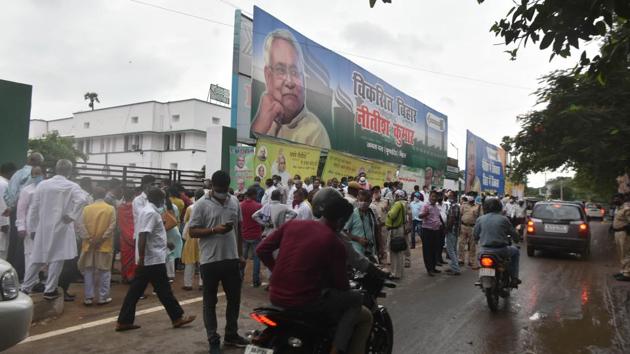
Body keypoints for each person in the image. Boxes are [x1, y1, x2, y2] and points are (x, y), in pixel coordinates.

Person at [256, 188, 372, 354]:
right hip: (307, 302)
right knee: (355, 298)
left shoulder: (292, 225)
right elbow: (342, 285)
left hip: (275, 297)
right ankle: (336, 349)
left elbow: (261, 250)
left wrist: (277, 271)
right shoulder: (334, 242)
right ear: (340, 221)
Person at [116, 188, 196, 331]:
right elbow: (143, 236)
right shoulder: (150, 213)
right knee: (163, 290)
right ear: (159, 199)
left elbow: (151, 234)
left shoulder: (148, 211)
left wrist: (165, 243)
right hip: (152, 259)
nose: (165, 201)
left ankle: (124, 321)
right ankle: (177, 317)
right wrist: (142, 258)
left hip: (151, 258)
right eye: (163, 198)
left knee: (139, 290)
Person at [188, 171, 249, 350]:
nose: (222, 192)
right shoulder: (201, 205)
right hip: (210, 261)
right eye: (218, 189)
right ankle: (212, 338)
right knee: (210, 301)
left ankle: (231, 335)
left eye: (224, 189)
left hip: (231, 260)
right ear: (212, 186)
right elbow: (192, 231)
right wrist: (214, 230)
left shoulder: (235, 201)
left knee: (234, 300)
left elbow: (239, 228)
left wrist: (240, 254)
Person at [251, 29, 331, 149]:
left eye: (294, 72)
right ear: (268, 76)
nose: (289, 82)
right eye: (280, 70)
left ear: (303, 79)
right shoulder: (264, 121)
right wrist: (259, 127)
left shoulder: (314, 131)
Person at [21, 159, 89, 300]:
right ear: (69, 171)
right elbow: (83, 199)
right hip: (62, 227)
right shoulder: (72, 186)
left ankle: (25, 288)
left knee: (37, 258)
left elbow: (34, 208)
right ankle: (50, 290)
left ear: (56, 169)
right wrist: (71, 216)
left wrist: (32, 228)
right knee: (57, 259)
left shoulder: (43, 185)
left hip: (43, 227)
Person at [3, 152, 44, 277]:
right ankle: (21, 274)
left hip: (14, 210)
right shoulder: (31, 174)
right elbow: (25, 195)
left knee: (14, 244)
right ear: (37, 162)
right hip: (26, 212)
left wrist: (10, 207)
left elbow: (8, 194)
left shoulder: (17, 173)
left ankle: (11, 272)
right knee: (24, 246)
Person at [77, 187, 116, 306]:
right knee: (104, 271)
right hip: (104, 245)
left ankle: (88, 298)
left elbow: (81, 226)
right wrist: (101, 238)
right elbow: (112, 226)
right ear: (104, 195)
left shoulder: (86, 209)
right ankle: (102, 297)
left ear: (93, 195)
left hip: (88, 245)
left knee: (89, 270)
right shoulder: (110, 209)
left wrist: (89, 239)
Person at [473, 197, 521, 286]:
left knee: (480, 260)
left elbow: (475, 235)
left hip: (484, 250)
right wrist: (517, 239)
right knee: (516, 251)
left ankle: (480, 278)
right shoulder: (504, 219)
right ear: (499, 207)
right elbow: (513, 233)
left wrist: (477, 240)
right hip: (501, 250)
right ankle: (514, 278)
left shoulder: (480, 219)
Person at [15, 166, 44, 273]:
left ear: (44, 174)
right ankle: (30, 280)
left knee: (43, 254)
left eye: (38, 173)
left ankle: (41, 279)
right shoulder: (26, 190)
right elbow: (21, 210)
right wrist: (21, 227)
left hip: (44, 225)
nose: (36, 176)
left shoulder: (47, 188)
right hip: (30, 226)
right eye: (34, 174)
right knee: (30, 253)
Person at [181, 188, 206, 290]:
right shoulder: (207, 207)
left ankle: (188, 284)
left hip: (192, 236)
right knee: (203, 261)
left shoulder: (190, 208)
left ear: (195, 197)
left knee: (189, 261)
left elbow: (185, 221)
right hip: (203, 235)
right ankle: (202, 284)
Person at [344, 189, 379, 259]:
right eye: (361, 200)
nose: (363, 203)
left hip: (370, 251)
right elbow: (343, 232)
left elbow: (376, 230)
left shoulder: (371, 213)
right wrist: (358, 239)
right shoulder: (352, 213)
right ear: (357, 199)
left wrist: (380, 247)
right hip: (357, 252)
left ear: (370, 201)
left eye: (365, 201)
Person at [240, 187, 263, 288]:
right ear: (253, 195)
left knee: (242, 258)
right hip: (256, 235)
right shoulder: (258, 206)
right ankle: (256, 280)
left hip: (244, 235)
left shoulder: (240, 205)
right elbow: (262, 220)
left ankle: (239, 279)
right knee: (257, 259)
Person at [419, 190, 442, 277]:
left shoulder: (436, 207)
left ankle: (433, 267)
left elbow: (437, 218)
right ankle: (429, 269)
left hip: (435, 231)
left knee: (434, 250)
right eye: (432, 196)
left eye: (435, 197)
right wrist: (425, 214)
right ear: (429, 197)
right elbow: (420, 216)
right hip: (427, 231)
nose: (434, 198)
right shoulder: (426, 206)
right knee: (427, 250)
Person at [386, 190, 408, 280]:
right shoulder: (404, 204)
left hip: (395, 230)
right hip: (400, 228)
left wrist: (388, 211)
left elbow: (392, 215)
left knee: (394, 251)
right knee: (399, 252)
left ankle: (394, 273)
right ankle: (399, 273)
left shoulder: (397, 204)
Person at [118, 188, 137, 283]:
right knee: (134, 258)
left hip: (124, 236)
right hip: (134, 235)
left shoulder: (120, 207)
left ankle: (125, 276)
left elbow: (119, 222)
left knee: (125, 257)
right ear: (134, 196)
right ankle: (132, 277)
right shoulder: (136, 207)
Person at [459, 195, 481, 269]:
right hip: (464, 226)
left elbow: (478, 216)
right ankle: (461, 259)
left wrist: (479, 208)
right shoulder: (463, 205)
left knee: (472, 245)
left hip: (472, 227)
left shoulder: (477, 206)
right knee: (462, 243)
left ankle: (471, 260)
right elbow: (460, 214)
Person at [612, 193, 630, 282]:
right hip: (617, 233)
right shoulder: (618, 209)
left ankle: (627, 273)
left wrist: (627, 229)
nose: (615, 200)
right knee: (620, 253)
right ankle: (623, 271)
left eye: (617, 198)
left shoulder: (626, 209)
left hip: (624, 233)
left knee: (626, 253)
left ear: (622, 199)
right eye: (614, 198)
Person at [0, 163, 16, 260]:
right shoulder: (5, 184)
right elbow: (2, 204)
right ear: (11, 173)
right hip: (1, 226)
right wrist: (4, 223)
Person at [370, 186, 389, 264]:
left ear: (380, 192)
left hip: (384, 225)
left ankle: (385, 258)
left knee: (384, 242)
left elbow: (389, 212)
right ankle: (378, 258)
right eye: (374, 192)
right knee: (376, 242)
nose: (376, 193)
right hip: (375, 226)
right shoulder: (371, 202)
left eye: (377, 191)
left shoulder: (385, 201)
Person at [444, 191, 462, 275]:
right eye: (448, 196)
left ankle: (456, 269)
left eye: (450, 196)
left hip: (452, 230)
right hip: (455, 230)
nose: (449, 197)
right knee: (453, 250)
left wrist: (446, 229)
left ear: (454, 197)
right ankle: (454, 266)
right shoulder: (455, 206)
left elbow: (451, 219)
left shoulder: (454, 206)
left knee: (450, 250)